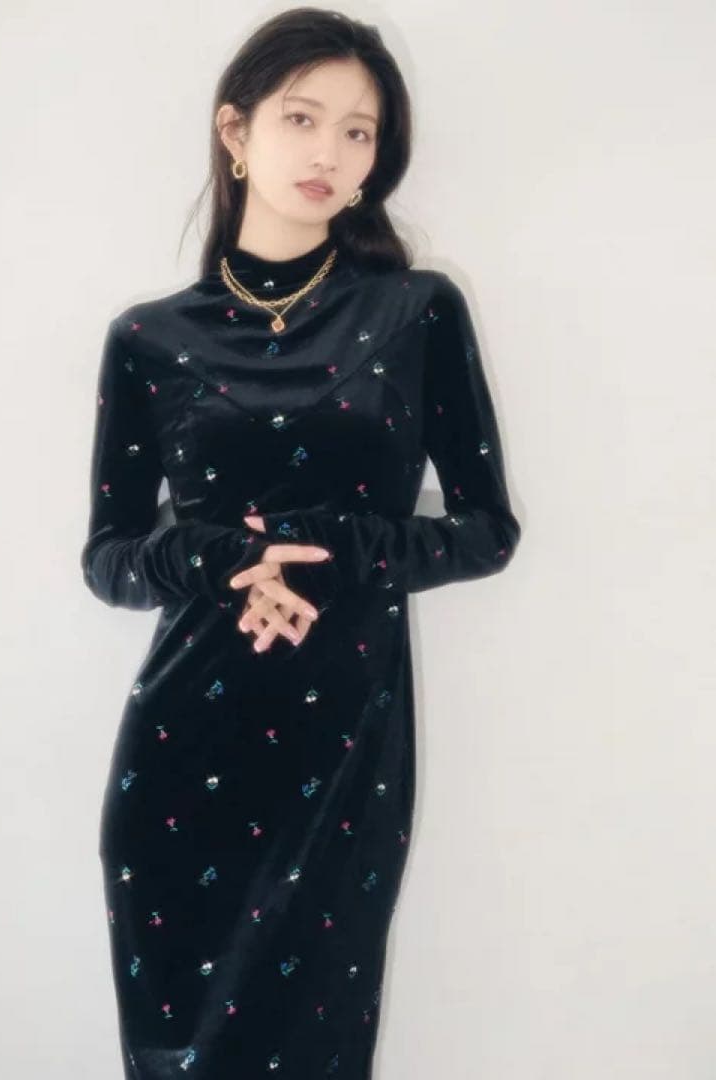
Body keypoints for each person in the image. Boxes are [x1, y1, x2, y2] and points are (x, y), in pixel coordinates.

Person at [80, 9, 522, 1078]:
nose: (330, 151)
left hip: (343, 741)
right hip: (185, 737)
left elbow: (486, 531)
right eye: (302, 118)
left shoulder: (416, 312)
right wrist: (218, 561)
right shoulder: (149, 338)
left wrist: (339, 546)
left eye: (359, 132)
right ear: (236, 132)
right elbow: (109, 559)